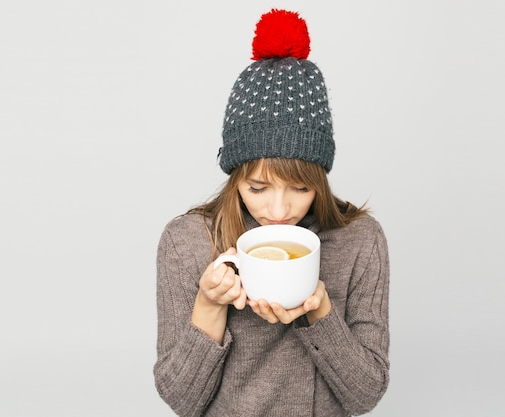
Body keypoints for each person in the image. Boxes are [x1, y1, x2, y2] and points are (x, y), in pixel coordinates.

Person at [154, 9, 390, 417]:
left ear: (320, 178)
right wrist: (210, 304)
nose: (279, 211)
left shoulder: (360, 240)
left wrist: (320, 311)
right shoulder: (187, 242)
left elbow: (365, 395)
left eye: (301, 188)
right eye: (257, 188)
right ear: (234, 176)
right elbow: (181, 400)